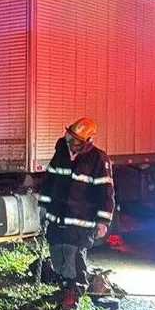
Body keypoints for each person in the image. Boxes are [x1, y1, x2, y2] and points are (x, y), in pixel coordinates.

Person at [38, 117, 115, 287]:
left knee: (73, 258)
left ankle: (73, 293)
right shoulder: (60, 154)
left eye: (75, 140)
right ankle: (62, 289)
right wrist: (43, 207)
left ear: (87, 141)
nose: (70, 141)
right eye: (69, 136)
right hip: (57, 219)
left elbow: (106, 192)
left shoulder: (98, 159)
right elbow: (48, 182)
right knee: (57, 254)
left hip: (80, 222)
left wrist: (103, 221)